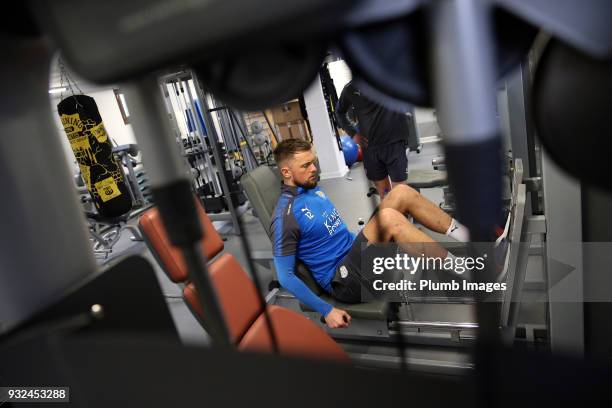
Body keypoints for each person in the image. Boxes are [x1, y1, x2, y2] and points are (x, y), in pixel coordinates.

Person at [271, 139, 478, 330]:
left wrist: (366, 238)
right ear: (287, 172)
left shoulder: (311, 190)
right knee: (388, 218)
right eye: (306, 166)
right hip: (344, 282)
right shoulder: (284, 217)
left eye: (313, 162)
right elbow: (285, 277)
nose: (314, 169)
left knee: (400, 193)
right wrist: (327, 310)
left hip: (355, 257)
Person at [335, 81, 412, 198]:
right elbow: (339, 112)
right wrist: (353, 134)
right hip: (370, 149)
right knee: (385, 194)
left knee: (400, 194)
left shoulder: (386, 76)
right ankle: (390, 215)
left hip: (394, 144)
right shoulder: (350, 88)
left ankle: (402, 215)